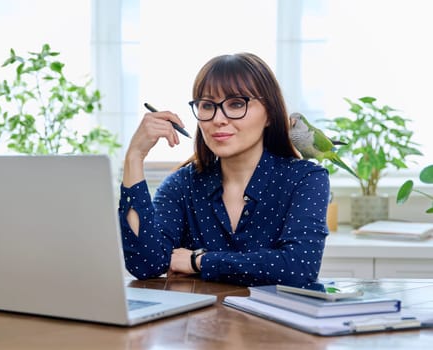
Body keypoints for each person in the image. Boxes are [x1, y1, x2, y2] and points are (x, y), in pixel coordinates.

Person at [119, 52, 330, 287]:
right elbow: (145, 264)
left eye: (237, 104)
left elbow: (299, 268)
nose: (218, 118)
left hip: (274, 324)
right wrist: (134, 157)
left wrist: (199, 261)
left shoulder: (305, 179)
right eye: (207, 106)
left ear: (270, 114)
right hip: (202, 322)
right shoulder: (181, 185)